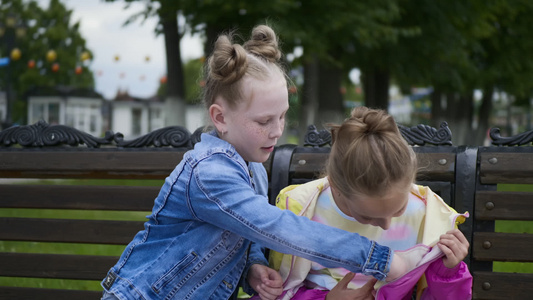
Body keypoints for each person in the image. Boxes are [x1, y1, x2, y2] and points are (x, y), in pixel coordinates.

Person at [100, 25, 407, 300]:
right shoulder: (209, 175)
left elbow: (245, 235)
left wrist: (254, 267)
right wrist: (378, 259)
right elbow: (274, 227)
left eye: (283, 116)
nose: (277, 130)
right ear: (220, 118)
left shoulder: (253, 168)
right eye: (264, 120)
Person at [265, 107, 473, 300]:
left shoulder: (428, 218)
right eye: (367, 217)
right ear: (336, 187)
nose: (386, 225)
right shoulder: (302, 212)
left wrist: (448, 271)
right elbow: (280, 290)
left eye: (398, 210)